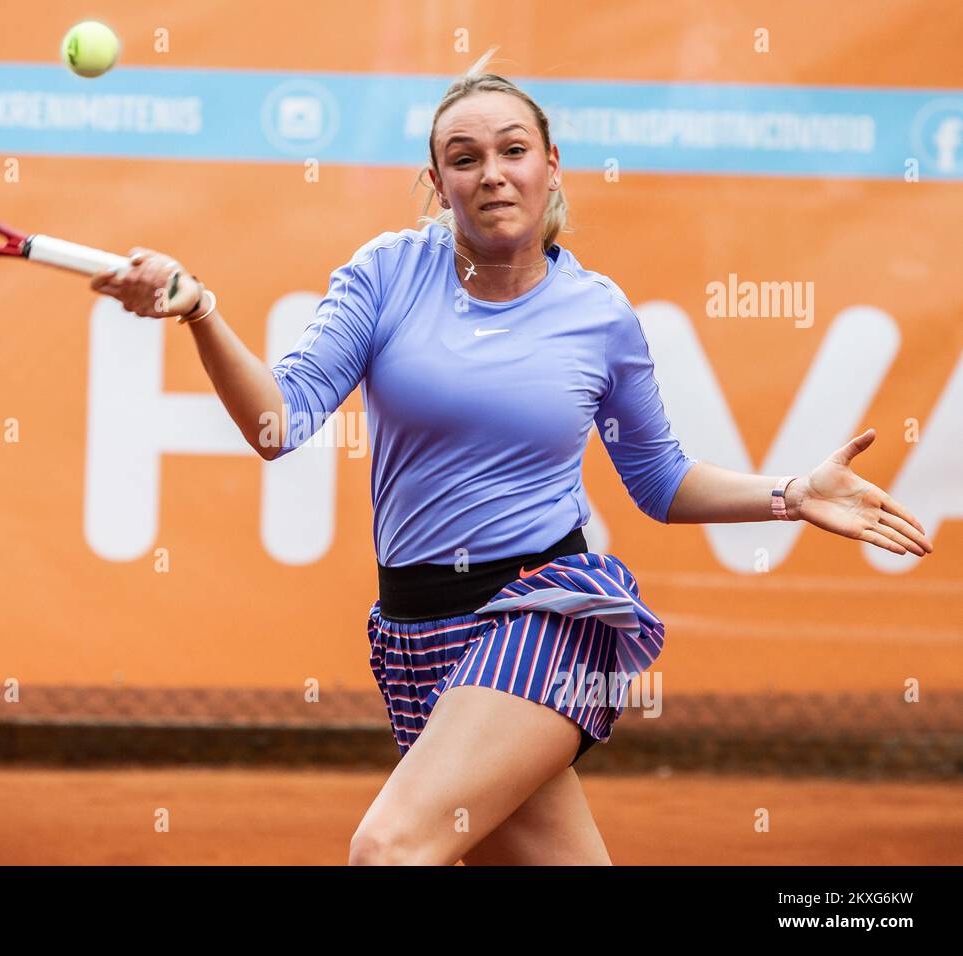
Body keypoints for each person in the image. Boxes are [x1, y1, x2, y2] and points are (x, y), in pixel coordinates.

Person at [87, 50, 933, 866]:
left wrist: (791, 492)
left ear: (551, 168)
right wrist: (198, 309)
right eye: (464, 157)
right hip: (415, 633)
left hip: (542, 612)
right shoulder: (385, 274)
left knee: (387, 850)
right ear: (437, 184)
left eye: (512, 150)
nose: (491, 172)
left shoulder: (599, 316)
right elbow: (278, 426)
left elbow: (661, 481)